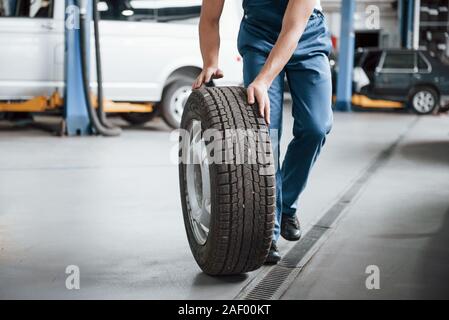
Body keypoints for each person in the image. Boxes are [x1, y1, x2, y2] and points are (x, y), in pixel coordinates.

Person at [193, 0, 333, 264]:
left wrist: (263, 80)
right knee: (264, 135)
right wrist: (210, 61)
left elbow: (292, 29)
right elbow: (210, 18)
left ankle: (286, 205)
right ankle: (267, 229)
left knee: (317, 127)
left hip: (306, 33)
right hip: (259, 35)